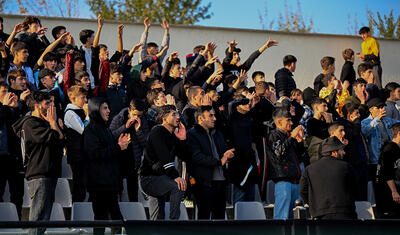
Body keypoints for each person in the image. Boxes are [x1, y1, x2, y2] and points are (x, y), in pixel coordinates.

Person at [12, 91, 64, 235]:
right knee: (38, 220)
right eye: (47, 103)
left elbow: (61, 141)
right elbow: (54, 138)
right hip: (39, 175)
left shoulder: (43, 123)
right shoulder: (30, 124)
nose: (50, 107)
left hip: (48, 174)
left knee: (43, 220)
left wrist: (54, 126)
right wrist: (54, 123)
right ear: (36, 106)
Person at [83, 97, 130, 234]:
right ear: (95, 109)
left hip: (109, 181)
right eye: (104, 108)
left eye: (108, 107)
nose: (108, 111)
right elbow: (94, 154)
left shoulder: (105, 129)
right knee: (102, 218)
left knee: (114, 217)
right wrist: (117, 147)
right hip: (99, 182)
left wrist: (120, 146)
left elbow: (110, 152)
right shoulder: (91, 130)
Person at [139, 105, 188, 220]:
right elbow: (164, 157)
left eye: (178, 114)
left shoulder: (172, 135)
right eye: (174, 114)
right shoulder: (158, 131)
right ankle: (173, 223)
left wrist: (183, 139)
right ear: (164, 119)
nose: (178, 117)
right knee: (178, 186)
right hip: (149, 179)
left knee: (157, 219)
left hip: (161, 178)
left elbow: (185, 156)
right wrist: (176, 176)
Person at [187, 106, 235, 219]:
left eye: (214, 115)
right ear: (200, 118)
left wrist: (228, 154)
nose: (214, 118)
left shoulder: (217, 133)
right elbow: (197, 156)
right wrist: (219, 161)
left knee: (220, 217)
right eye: (211, 116)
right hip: (204, 182)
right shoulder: (192, 134)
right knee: (204, 217)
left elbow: (224, 150)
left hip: (221, 180)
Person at [299, 136, 357, 219]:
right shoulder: (346, 167)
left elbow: (302, 191)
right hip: (345, 213)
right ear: (334, 152)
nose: (344, 153)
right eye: (341, 150)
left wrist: (315, 204)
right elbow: (355, 189)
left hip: (320, 215)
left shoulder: (309, 169)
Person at [266, 108, 308, 219]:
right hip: (283, 181)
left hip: (294, 181)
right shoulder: (273, 135)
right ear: (279, 122)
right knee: (282, 217)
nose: (291, 123)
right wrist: (292, 137)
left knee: (293, 218)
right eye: (288, 120)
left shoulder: (288, 136)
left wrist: (300, 142)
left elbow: (300, 157)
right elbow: (279, 152)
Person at [109, 98, 149, 202]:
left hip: (133, 159)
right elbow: (111, 136)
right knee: (118, 186)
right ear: (130, 110)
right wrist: (125, 127)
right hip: (119, 158)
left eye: (139, 115)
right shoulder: (118, 118)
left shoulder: (143, 121)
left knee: (133, 188)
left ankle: (134, 211)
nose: (137, 117)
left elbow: (145, 143)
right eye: (135, 114)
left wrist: (138, 130)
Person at [0, 82, 24, 218]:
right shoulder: (3, 108)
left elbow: (20, 129)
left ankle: (18, 220)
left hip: (15, 157)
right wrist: (4, 106)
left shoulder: (13, 109)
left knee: (18, 193)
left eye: (8, 91)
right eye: (3, 92)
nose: (8, 95)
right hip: (1, 157)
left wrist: (15, 110)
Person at [361, 98, 399, 183]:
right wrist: (377, 119)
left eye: (383, 107)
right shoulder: (365, 122)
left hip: (389, 158)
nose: (382, 109)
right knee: (378, 185)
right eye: (379, 107)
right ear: (371, 109)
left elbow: (397, 123)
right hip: (375, 160)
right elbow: (365, 132)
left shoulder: (387, 120)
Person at [339, 103, 369, 201]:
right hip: (352, 164)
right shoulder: (343, 126)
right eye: (356, 113)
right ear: (349, 115)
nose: (359, 116)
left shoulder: (354, 125)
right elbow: (354, 134)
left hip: (361, 164)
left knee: (363, 194)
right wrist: (356, 122)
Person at [64, 85, 88, 202]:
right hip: (77, 155)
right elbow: (84, 130)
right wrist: (88, 116)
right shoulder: (70, 113)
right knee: (79, 185)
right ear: (73, 99)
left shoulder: (80, 111)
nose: (85, 100)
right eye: (83, 98)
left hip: (84, 154)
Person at [375, 122, 400, 218]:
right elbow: (387, 172)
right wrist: (394, 191)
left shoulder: (396, 148)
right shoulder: (389, 149)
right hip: (389, 194)